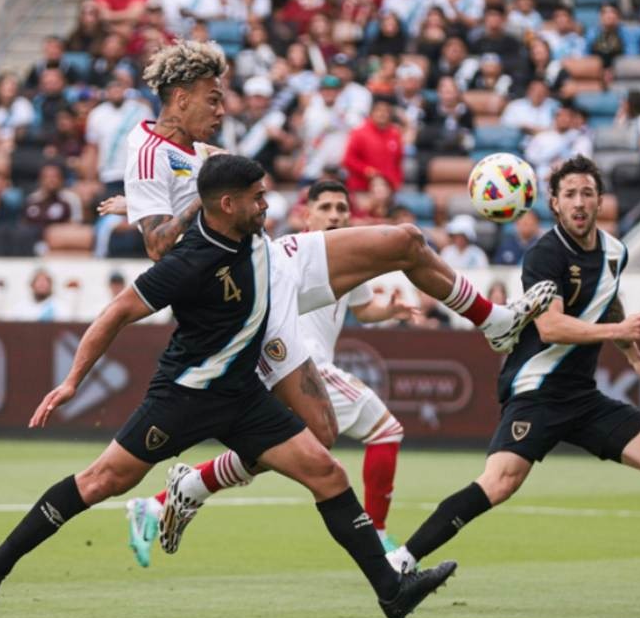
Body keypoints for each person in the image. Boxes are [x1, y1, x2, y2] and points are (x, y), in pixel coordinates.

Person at [0, 154, 460, 618]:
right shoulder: (190, 262)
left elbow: (203, 173)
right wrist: (72, 381)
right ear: (227, 205)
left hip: (243, 396)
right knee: (101, 482)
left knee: (326, 472)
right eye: (257, 197)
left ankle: (391, 591)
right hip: (184, 397)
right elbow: (116, 312)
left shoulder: (252, 233)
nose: (267, 205)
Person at [100, 40, 557, 548]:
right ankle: (190, 486)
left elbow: (218, 197)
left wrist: (183, 191)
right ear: (180, 98)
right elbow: (160, 247)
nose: (222, 108)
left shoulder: (201, 149)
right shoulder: (147, 152)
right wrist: (188, 201)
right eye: (213, 97)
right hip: (245, 303)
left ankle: (495, 322)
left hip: (274, 261)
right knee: (315, 436)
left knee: (405, 239)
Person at [383, 156, 640, 609]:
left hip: (581, 396)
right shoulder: (544, 254)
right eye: (569, 195)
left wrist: (635, 357)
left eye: (587, 193)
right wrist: (620, 334)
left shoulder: (615, 252)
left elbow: (607, 301)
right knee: (499, 482)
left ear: (600, 200)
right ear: (554, 204)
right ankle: (402, 560)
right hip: (537, 389)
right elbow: (552, 328)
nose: (579, 203)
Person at [123, 181, 421, 563]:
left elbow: (362, 309)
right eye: (326, 207)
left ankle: (170, 497)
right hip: (298, 365)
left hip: (298, 369)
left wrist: (389, 312)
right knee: (385, 430)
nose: (335, 215)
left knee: (275, 451)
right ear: (304, 215)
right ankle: (377, 537)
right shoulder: (288, 254)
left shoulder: (349, 258)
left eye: (342, 208)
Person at [84, 78, 154, 199]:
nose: (116, 91)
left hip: (138, 173)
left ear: (125, 89)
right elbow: (92, 149)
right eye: (112, 88)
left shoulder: (141, 110)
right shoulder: (96, 114)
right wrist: (91, 180)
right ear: (106, 91)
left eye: (118, 87)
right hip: (109, 175)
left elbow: (153, 142)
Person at [343, 96, 405, 192]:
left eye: (386, 111)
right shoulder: (359, 133)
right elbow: (348, 160)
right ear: (371, 113)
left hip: (388, 188)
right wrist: (366, 170)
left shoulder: (395, 134)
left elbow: (398, 161)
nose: (382, 114)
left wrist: (397, 181)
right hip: (362, 187)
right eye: (378, 110)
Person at [525, 101, 593, 184]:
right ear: (555, 118)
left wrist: (561, 168)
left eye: (567, 116)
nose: (564, 119)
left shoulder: (580, 138)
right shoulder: (541, 137)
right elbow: (530, 159)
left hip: (568, 179)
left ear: (573, 119)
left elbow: (583, 161)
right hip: (540, 180)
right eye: (560, 115)